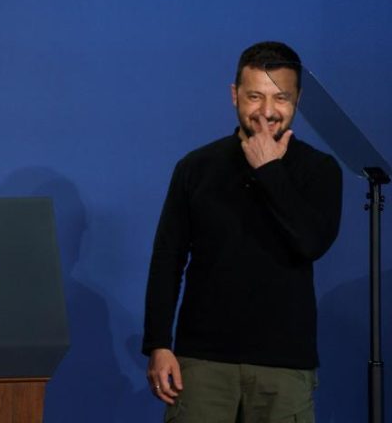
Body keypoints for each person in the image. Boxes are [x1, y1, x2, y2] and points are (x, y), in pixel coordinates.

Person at [143, 41, 342, 422]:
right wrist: (158, 343)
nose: (267, 111)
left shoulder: (319, 170)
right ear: (235, 95)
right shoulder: (196, 167)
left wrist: (270, 172)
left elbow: (311, 243)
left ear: (297, 99)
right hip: (202, 362)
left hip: (284, 365)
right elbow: (168, 258)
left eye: (281, 97)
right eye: (255, 96)